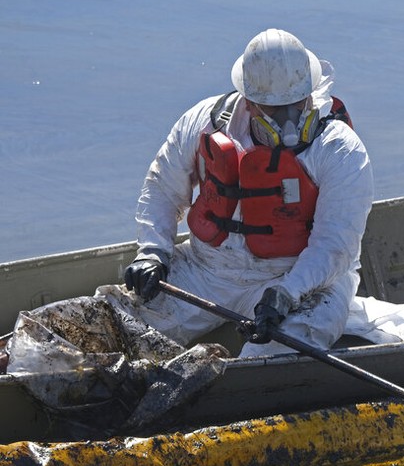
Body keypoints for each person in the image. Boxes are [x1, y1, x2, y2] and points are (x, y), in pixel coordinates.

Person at [111, 28, 374, 357]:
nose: (290, 121)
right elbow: (162, 187)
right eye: (275, 110)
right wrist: (153, 252)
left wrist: (287, 293)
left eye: (297, 104)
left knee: (269, 361)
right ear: (249, 102)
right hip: (207, 269)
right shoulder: (203, 122)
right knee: (112, 330)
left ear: (310, 92)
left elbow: (336, 244)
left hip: (300, 279)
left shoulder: (339, 149)